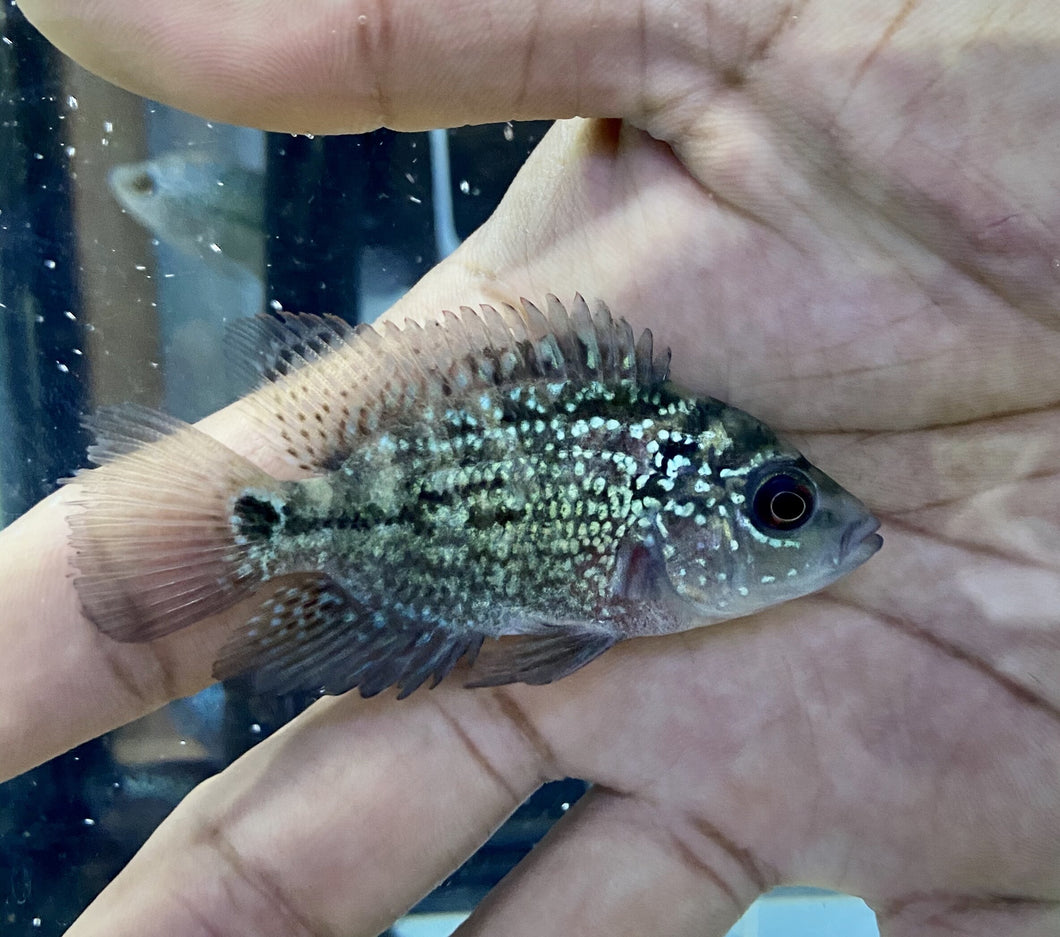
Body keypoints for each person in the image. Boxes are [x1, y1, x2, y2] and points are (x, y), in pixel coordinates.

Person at [3, 1, 1058, 934]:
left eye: (785, 506)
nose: (830, 528)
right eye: (780, 506)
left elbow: (552, 640)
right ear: (670, 520)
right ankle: (216, 529)